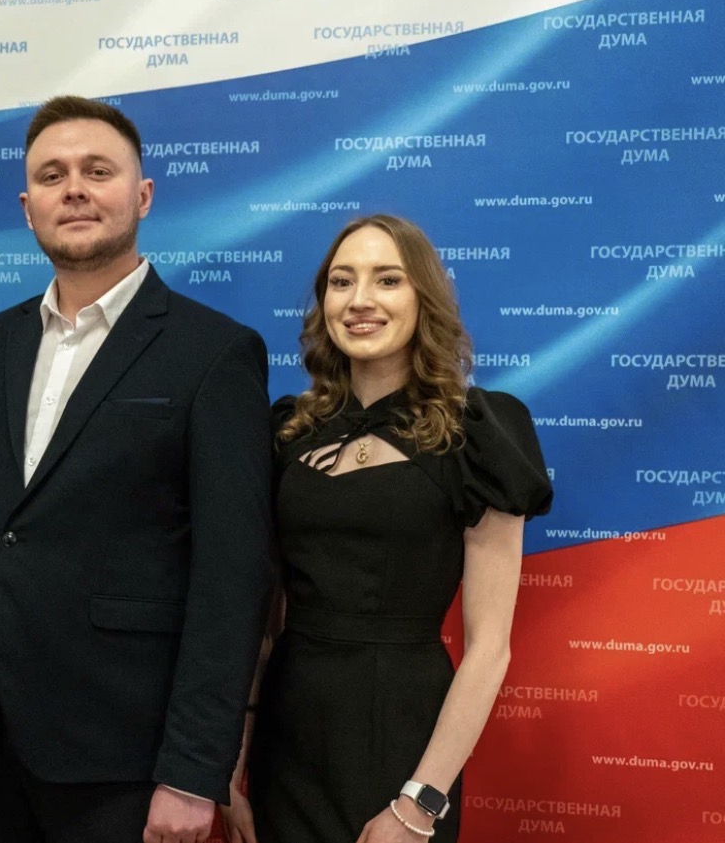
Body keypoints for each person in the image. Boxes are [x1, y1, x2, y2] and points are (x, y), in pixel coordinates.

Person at [0, 95, 276, 843]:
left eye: (97, 171)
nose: (73, 189)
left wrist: (193, 769)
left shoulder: (214, 353)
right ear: (27, 208)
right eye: (52, 175)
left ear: (143, 195)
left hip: (130, 757)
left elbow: (231, 579)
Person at [220, 215, 552, 843]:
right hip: (286, 736)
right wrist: (235, 756)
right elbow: (263, 617)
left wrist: (420, 803)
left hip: (405, 735)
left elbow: (489, 647)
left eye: (388, 280)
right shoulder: (288, 431)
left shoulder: (476, 434)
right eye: (341, 281)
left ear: (424, 297)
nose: (360, 300)